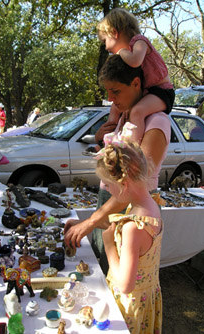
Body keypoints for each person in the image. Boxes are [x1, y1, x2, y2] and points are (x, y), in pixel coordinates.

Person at [64, 54, 171, 275]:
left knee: (117, 280)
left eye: (116, 91)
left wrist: (91, 221)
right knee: (99, 271)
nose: (111, 99)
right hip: (112, 204)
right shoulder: (126, 117)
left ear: (136, 83)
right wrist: (87, 222)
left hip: (132, 213)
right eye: (108, 92)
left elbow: (133, 186)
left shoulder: (157, 123)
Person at [95, 122, 162, 334]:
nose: (107, 189)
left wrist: (109, 245)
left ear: (123, 183)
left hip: (129, 309)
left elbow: (125, 285)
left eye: (108, 184)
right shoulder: (152, 205)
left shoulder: (133, 227)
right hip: (146, 300)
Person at [96, 8, 174, 144]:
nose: (106, 48)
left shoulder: (139, 42)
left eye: (105, 41)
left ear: (114, 33)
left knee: (137, 112)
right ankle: (109, 137)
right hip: (147, 91)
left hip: (162, 91)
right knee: (114, 107)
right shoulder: (128, 52)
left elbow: (135, 61)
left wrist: (121, 51)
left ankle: (132, 148)